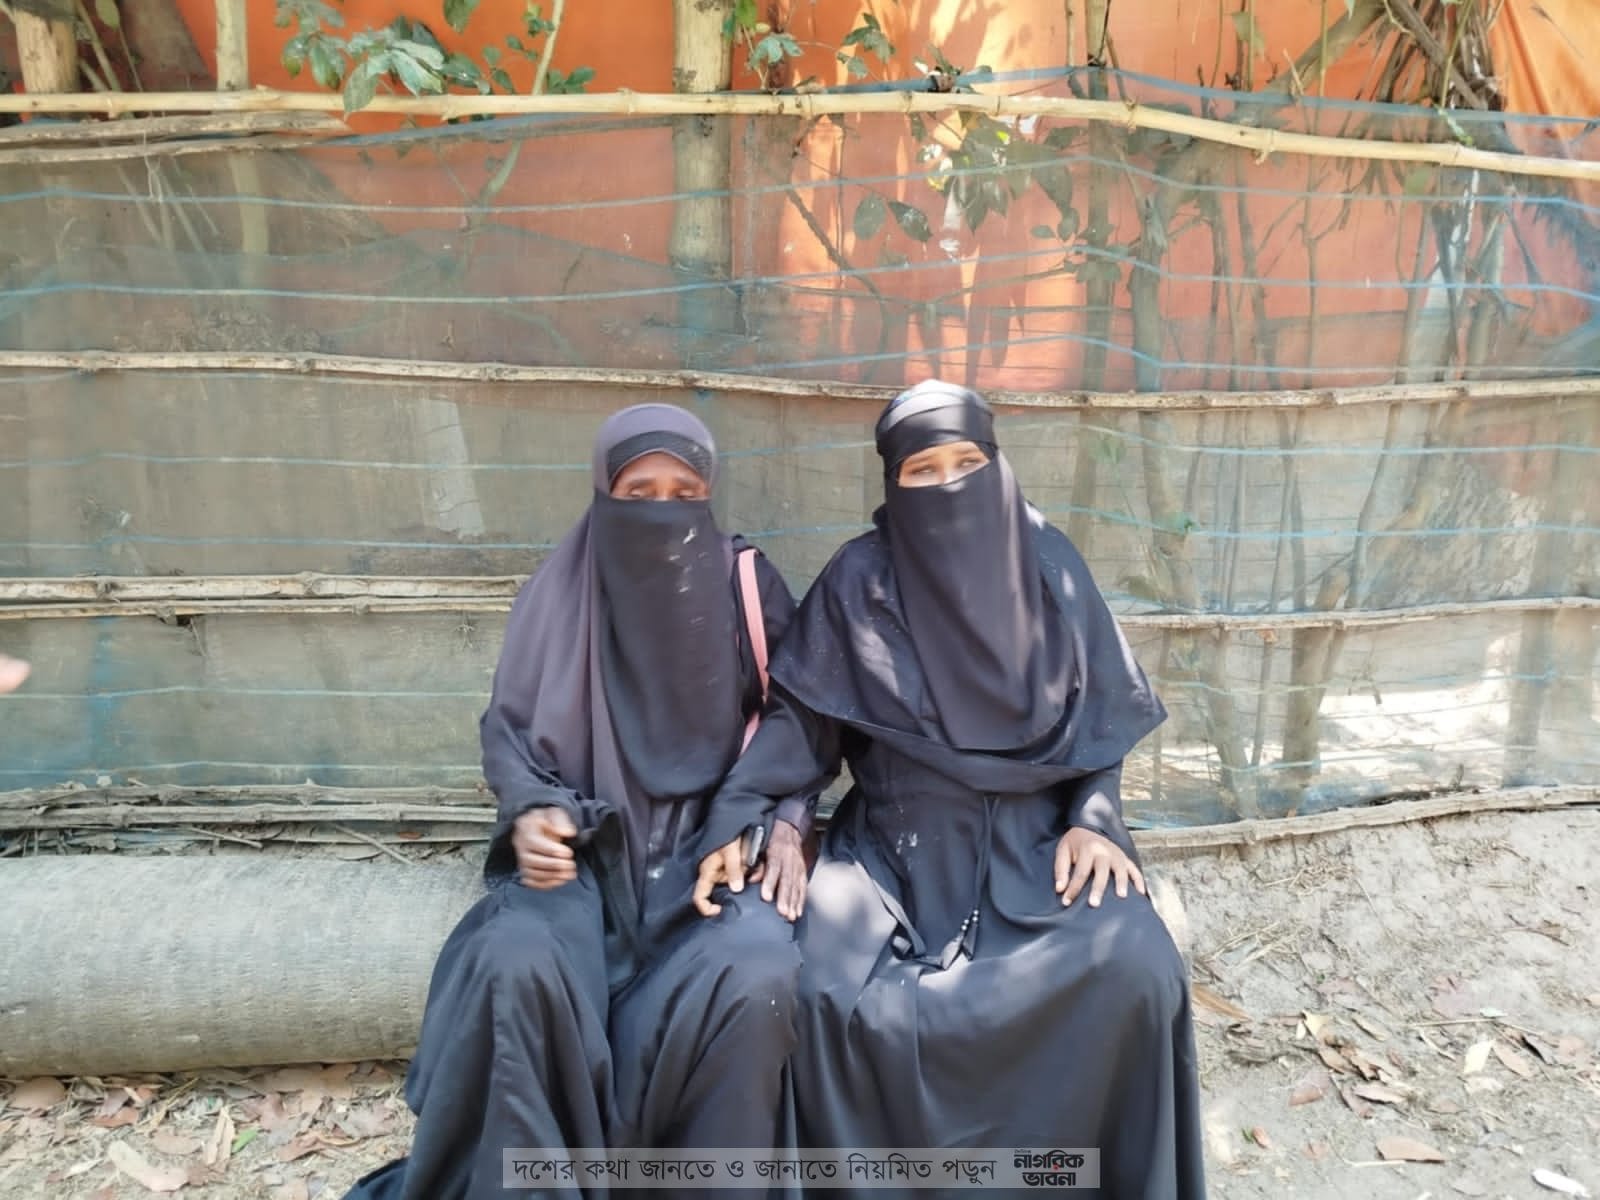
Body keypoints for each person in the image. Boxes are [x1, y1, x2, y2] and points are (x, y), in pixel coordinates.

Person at [713, 381, 1207, 1198]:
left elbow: (1099, 722)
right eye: (923, 470)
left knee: (1137, 965)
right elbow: (802, 728)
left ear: (997, 465)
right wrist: (776, 821)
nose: (947, 483)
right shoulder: (860, 580)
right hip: (896, 853)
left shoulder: (1049, 565)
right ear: (892, 482)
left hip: (1039, 846)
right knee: (824, 988)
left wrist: (1094, 818)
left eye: (966, 462)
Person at [347, 405, 813, 1200]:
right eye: (639, 492)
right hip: (585, 860)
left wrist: (766, 820)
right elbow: (508, 729)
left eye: (684, 492)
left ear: (710, 494)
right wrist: (532, 808)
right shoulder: (557, 595)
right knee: (514, 960)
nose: (662, 510)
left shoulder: (745, 582)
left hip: (710, 857)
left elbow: (797, 717)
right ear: (603, 493)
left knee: (758, 969)